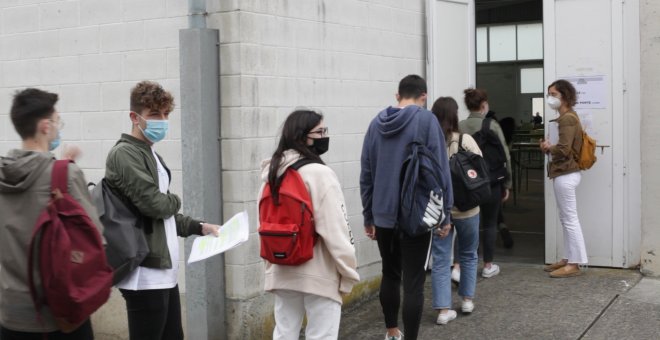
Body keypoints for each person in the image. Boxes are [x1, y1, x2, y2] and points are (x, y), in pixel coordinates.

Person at [105, 81, 220, 340]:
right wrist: (174, 199)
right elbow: (155, 204)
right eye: (155, 114)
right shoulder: (124, 154)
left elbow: (163, 213)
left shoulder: (150, 153)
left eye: (166, 114)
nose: (163, 120)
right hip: (144, 273)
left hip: (163, 272)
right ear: (135, 117)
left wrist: (199, 227)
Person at [0, 88, 102, 339]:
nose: (58, 128)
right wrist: (67, 174)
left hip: (10, 315)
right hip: (58, 314)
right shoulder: (64, 175)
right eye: (58, 121)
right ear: (45, 126)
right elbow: (96, 235)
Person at [360, 75, 452, 340]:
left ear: (397, 95)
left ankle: (391, 331)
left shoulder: (375, 124)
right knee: (413, 282)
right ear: (423, 96)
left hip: (383, 215)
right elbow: (441, 170)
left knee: (389, 273)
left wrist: (369, 215)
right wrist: (445, 214)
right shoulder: (426, 120)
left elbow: (366, 173)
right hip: (417, 215)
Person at [261, 109, 359, 340]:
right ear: (302, 135)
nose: (324, 136)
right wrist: (348, 272)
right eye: (320, 131)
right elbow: (336, 230)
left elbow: (264, 223)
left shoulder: (272, 172)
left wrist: (270, 269)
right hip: (319, 272)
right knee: (321, 335)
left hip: (282, 268)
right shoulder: (320, 174)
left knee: (284, 333)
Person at [430, 97, 481, 325]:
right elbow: (480, 170)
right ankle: (467, 300)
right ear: (454, 114)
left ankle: (443, 310)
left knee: (441, 259)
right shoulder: (466, 140)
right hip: (468, 208)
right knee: (469, 253)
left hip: (440, 211)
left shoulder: (429, 143)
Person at [458, 88, 512, 279]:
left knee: (465, 223)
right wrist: (507, 183)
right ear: (484, 105)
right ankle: (488, 265)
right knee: (489, 223)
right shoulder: (493, 125)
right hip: (491, 183)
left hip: (467, 184)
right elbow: (505, 155)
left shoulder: (460, 126)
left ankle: (460, 265)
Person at [540, 79, 587, 278]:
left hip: (566, 174)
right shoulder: (568, 117)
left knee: (570, 219)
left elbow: (564, 149)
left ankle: (575, 263)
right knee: (566, 218)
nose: (550, 98)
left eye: (554, 94)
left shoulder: (567, 119)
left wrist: (547, 147)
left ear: (565, 96)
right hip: (565, 173)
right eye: (549, 94)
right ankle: (568, 258)